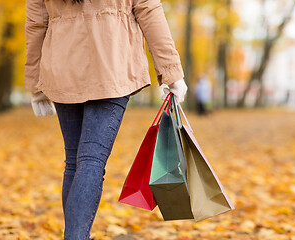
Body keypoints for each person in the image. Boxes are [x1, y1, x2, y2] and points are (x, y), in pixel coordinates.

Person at [24, 0, 188, 239]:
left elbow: (36, 24)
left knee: (74, 162)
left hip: (62, 66)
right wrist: (172, 72)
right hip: (112, 65)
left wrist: (35, 84)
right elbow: (148, 9)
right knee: (91, 161)